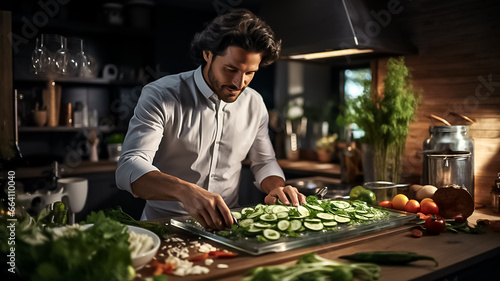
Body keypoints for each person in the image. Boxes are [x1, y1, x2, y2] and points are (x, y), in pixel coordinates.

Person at [116, 9, 306, 230]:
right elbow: (128, 167)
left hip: (228, 226)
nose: (239, 83)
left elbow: (264, 161)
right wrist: (185, 191)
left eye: (250, 73)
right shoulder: (161, 95)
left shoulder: (254, 103)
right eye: (230, 69)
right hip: (164, 226)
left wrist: (276, 187)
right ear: (208, 54)